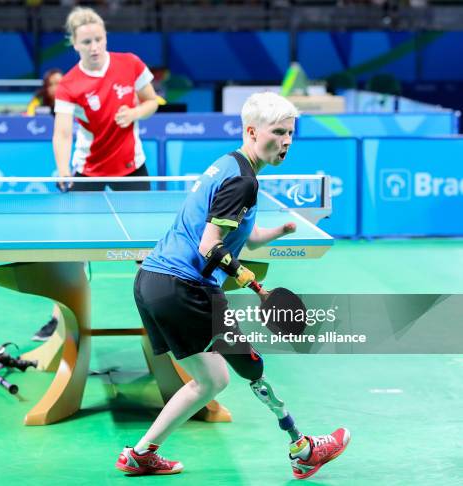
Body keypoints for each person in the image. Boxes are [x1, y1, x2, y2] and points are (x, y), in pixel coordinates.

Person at [115, 92, 350, 478]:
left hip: (152, 283)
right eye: (278, 132)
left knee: (212, 380)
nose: (287, 140)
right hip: (185, 288)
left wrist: (279, 231)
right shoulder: (243, 181)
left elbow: (245, 234)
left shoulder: (230, 164)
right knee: (251, 366)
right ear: (253, 131)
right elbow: (210, 245)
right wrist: (246, 277)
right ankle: (303, 448)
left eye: (291, 132)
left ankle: (140, 454)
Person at [31, 6, 159, 341]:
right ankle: (59, 318)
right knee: (73, 250)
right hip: (87, 170)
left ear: (105, 37)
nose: (94, 46)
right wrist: (62, 171)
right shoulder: (70, 84)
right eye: (86, 41)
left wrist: (134, 112)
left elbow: (152, 101)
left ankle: (158, 315)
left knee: (145, 249)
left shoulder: (129, 63)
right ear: (74, 43)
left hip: (132, 167)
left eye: (99, 39)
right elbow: (61, 133)